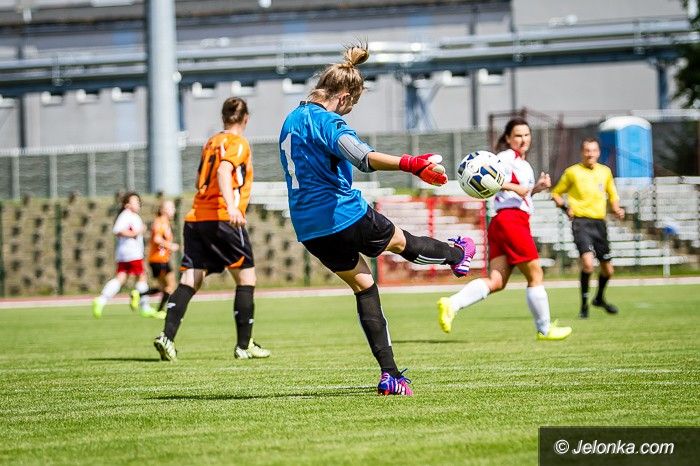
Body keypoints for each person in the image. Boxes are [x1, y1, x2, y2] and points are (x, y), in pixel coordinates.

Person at [278, 42, 476, 396]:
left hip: (310, 229)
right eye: (350, 106)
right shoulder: (328, 121)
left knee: (364, 287)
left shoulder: (290, 120)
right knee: (402, 243)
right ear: (343, 97)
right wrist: (412, 164)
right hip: (344, 214)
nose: (348, 112)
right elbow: (362, 157)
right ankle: (457, 255)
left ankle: (390, 376)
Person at [153, 97, 270, 362]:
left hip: (196, 218)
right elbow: (223, 171)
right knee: (246, 279)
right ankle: (244, 345)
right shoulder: (238, 143)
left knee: (190, 280)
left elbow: (199, 180)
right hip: (222, 218)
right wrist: (232, 206)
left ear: (223, 118)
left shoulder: (211, 142)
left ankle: (167, 337)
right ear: (246, 118)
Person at [437, 117, 572, 341]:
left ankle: (452, 304)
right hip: (512, 221)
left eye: (526, 135)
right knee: (535, 274)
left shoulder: (523, 164)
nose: (523, 139)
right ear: (508, 138)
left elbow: (520, 194)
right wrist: (516, 187)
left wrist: (536, 189)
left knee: (497, 281)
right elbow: (485, 176)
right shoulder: (505, 158)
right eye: (518, 135)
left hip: (502, 221)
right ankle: (545, 329)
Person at [551, 137, 625, 318]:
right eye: (587, 150)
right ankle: (584, 306)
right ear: (582, 152)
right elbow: (556, 193)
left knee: (608, 270)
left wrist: (616, 208)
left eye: (593, 150)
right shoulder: (572, 172)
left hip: (599, 224)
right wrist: (565, 208)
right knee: (588, 263)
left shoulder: (605, 172)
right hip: (581, 222)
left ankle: (599, 298)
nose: (590, 154)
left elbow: (613, 194)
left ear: (598, 152)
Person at [92, 192, 156, 319]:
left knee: (121, 278)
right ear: (127, 205)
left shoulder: (132, 216)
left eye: (138, 201)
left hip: (124, 253)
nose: (138, 203)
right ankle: (144, 306)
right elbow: (117, 230)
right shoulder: (127, 215)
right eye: (135, 201)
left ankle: (101, 300)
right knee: (142, 277)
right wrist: (136, 232)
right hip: (132, 253)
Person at [130, 199, 180, 320]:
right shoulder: (161, 222)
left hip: (160, 259)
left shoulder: (164, 222)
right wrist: (170, 246)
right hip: (159, 260)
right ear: (163, 210)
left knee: (164, 288)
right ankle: (160, 310)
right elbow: (157, 239)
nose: (173, 210)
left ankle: (139, 294)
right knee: (171, 286)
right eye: (170, 208)